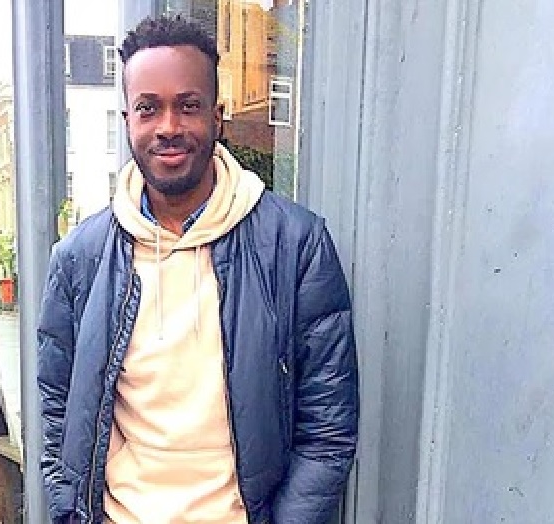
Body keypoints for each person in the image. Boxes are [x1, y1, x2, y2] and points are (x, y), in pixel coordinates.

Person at [38, 14, 358, 524]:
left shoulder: (295, 245)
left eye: (188, 106)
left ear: (217, 116)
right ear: (127, 120)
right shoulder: (81, 258)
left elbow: (327, 426)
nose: (168, 127)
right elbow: (56, 410)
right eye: (149, 108)